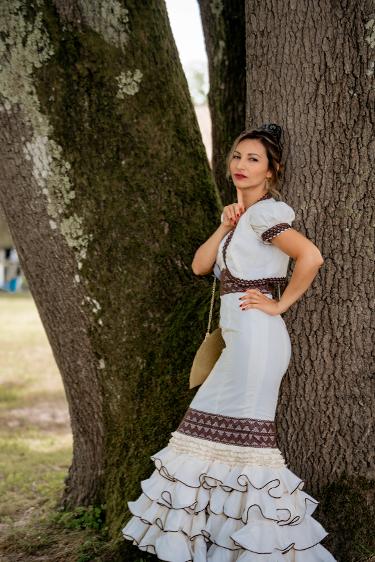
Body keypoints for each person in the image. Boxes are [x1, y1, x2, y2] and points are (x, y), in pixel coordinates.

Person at [122, 123, 337, 561]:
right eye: (237, 156)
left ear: (271, 171)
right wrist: (224, 226)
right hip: (240, 342)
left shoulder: (265, 214)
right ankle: (226, 544)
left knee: (242, 447)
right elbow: (202, 266)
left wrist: (280, 306)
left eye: (254, 159)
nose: (241, 165)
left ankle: (266, 549)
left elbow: (310, 256)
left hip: (258, 340)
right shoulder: (242, 218)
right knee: (212, 439)